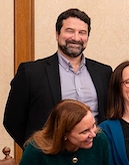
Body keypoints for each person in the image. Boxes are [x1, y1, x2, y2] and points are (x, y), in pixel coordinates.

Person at [4, 8, 112, 147]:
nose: (76, 38)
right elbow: (12, 120)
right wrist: (38, 149)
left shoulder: (104, 72)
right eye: (70, 31)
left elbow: (110, 114)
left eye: (82, 33)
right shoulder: (31, 72)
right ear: (57, 34)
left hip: (94, 155)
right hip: (50, 157)